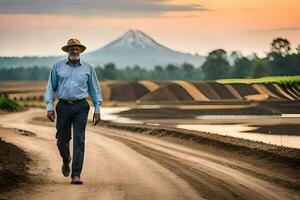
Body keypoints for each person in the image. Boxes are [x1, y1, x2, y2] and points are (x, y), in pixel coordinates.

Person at [44, 38, 103, 184]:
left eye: (76, 48)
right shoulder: (57, 67)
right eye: (71, 48)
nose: (74, 50)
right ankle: (66, 159)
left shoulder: (88, 68)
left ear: (81, 51)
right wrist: (50, 106)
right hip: (63, 106)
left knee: (79, 140)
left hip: (81, 107)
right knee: (61, 140)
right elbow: (51, 87)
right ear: (67, 51)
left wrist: (97, 109)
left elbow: (95, 89)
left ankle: (76, 174)